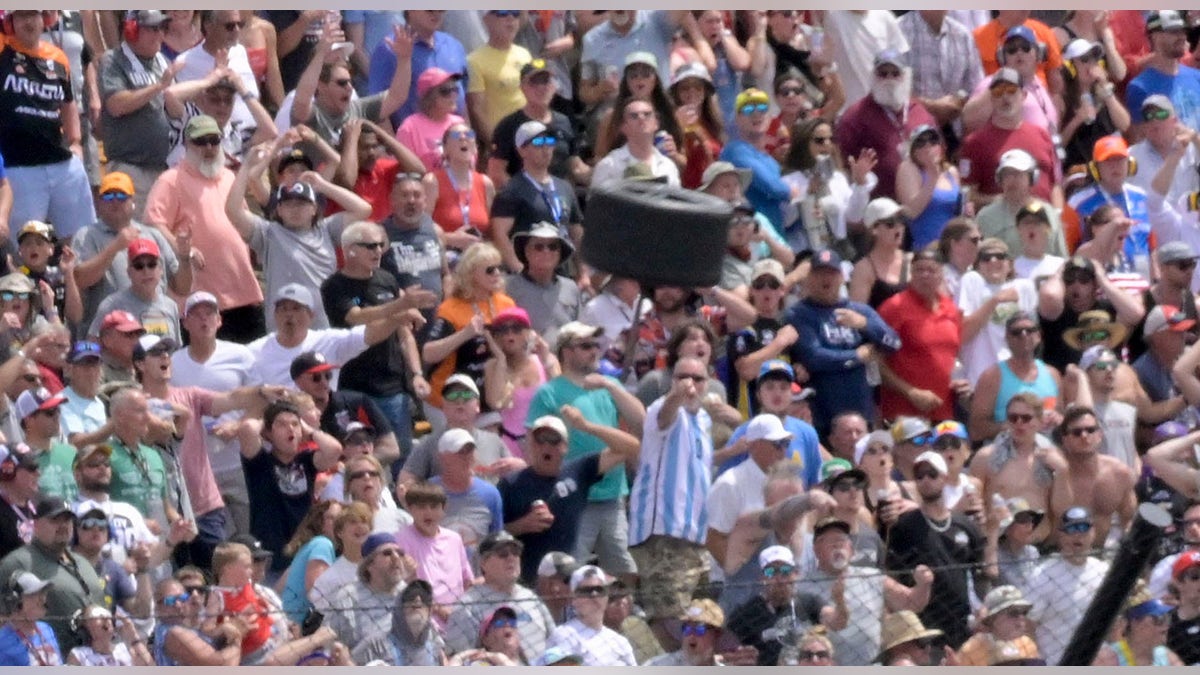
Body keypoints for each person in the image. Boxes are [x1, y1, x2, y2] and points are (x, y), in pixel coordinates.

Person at [143, 114, 265, 344]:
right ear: (187, 144)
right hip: (200, 301)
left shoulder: (229, 176)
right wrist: (184, 251)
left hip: (242, 292)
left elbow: (245, 219)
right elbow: (152, 223)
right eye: (201, 141)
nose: (209, 147)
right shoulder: (171, 180)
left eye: (214, 140)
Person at [500, 412, 638, 586]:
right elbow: (495, 533)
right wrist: (522, 525)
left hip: (568, 579)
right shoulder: (511, 483)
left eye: (554, 441)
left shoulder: (578, 471)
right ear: (530, 444)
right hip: (527, 582)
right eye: (540, 440)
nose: (546, 447)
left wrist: (587, 426)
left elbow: (632, 446)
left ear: (565, 446)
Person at [0, 10, 96, 243]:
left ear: (45, 19)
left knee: (81, 240)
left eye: (33, 15)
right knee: (22, 244)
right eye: (21, 17)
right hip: (19, 167)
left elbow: (68, 102)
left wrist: (75, 142)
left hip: (62, 163)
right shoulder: (3, 50)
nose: (29, 22)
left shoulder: (58, 58)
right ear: (11, 22)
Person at [883, 451, 992, 649]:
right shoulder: (904, 526)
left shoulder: (965, 524)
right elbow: (893, 573)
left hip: (962, 625)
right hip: (922, 629)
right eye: (920, 476)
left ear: (945, 478)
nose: (925, 480)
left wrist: (982, 607)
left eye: (932, 474)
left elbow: (980, 571)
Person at [787, 248, 901, 436]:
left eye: (831, 273)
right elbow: (814, 357)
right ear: (809, 278)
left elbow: (894, 343)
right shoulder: (799, 314)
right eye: (819, 273)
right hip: (823, 415)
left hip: (862, 413)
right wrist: (857, 356)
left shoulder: (859, 311)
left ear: (841, 277)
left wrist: (865, 325)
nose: (826, 279)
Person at [239, 400, 342, 573]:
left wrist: (309, 430)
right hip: (272, 555)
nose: (290, 429)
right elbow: (248, 429)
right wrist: (268, 418)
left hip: (303, 549)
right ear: (268, 433)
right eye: (281, 425)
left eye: (295, 424)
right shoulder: (260, 461)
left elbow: (334, 449)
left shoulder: (306, 461)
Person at [0, 496, 104, 651]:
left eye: (67, 520)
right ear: (36, 524)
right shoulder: (18, 562)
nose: (63, 526)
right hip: (50, 656)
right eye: (55, 520)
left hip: (97, 657)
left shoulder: (82, 562)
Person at [96, 10, 172, 215]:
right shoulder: (113, 60)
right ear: (131, 30)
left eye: (162, 29)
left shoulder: (161, 61)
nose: (160, 35)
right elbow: (116, 104)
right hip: (130, 168)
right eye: (153, 29)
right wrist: (158, 87)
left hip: (163, 168)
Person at [835, 49, 936, 200]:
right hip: (880, 210)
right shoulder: (854, 116)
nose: (889, 79)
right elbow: (842, 164)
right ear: (873, 77)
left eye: (895, 73)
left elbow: (938, 153)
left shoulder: (920, 113)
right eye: (883, 74)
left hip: (923, 202)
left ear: (906, 76)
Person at [878, 248, 963, 422]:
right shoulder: (894, 307)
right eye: (919, 269)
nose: (924, 275)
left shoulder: (950, 308)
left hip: (945, 411)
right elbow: (876, 361)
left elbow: (954, 354)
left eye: (931, 270)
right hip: (904, 413)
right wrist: (910, 392)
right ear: (911, 273)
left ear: (941, 274)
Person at [444, 530, 555, 662]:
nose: (511, 558)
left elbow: (554, 642)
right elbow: (458, 659)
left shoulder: (530, 597)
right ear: (483, 563)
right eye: (503, 554)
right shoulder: (467, 605)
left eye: (515, 553)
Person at [489, 121, 583, 275]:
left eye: (550, 142)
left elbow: (576, 232)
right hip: (529, 273)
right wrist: (518, 268)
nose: (546, 149)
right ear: (522, 150)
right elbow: (499, 233)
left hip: (561, 272)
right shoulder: (512, 190)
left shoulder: (564, 186)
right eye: (538, 143)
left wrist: (583, 272)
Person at [958, 68, 1061, 207]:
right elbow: (967, 193)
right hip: (1001, 224)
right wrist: (1003, 201)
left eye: (1011, 90)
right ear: (992, 100)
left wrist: (1057, 215)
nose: (1005, 97)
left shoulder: (1042, 135)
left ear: (1024, 95)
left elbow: (1054, 185)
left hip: (1044, 222)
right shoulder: (975, 142)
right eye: (998, 92)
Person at [726, 544, 840, 666]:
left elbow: (836, 621)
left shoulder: (809, 602)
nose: (779, 578)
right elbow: (727, 652)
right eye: (771, 572)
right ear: (761, 577)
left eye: (785, 571)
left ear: (796, 574)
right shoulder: (745, 614)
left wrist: (841, 603)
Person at [1026, 505, 1109, 664]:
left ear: (1093, 533)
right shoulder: (1043, 575)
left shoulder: (1103, 571)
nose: (1078, 535)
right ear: (1060, 535)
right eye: (1071, 529)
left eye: (1084, 528)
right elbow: (1028, 625)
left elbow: (1116, 625)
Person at [956, 238, 1040, 386]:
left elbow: (1035, 339)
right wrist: (995, 300)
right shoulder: (972, 281)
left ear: (1010, 264)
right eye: (985, 258)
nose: (993, 261)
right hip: (980, 380)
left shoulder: (1024, 287)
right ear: (978, 265)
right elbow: (963, 334)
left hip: (1018, 380)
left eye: (1000, 256)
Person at [968, 312, 1062, 443]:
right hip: (1006, 453)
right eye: (1016, 332)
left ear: (1039, 336)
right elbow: (976, 430)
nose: (1024, 335)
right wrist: (1011, 426)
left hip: (1046, 453)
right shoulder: (992, 376)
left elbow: (1062, 417)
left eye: (1029, 330)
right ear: (1007, 338)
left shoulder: (1052, 374)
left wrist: (1058, 418)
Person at [324, 533, 411, 650]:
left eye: (400, 553)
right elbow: (327, 643)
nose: (396, 557)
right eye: (387, 553)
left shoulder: (408, 593)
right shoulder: (348, 597)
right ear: (369, 565)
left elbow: (433, 641)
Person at [503, 224, 581, 345]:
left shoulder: (571, 287)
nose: (546, 251)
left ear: (560, 253)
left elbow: (580, 331)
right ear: (526, 251)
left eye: (553, 247)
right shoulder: (508, 287)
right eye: (539, 247)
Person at [1125, 11, 1200, 134]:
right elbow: (1139, 140)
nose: (1182, 37)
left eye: (1183, 31)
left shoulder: (1197, 76)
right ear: (1155, 37)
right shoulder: (1140, 87)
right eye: (1174, 32)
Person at [545, 565, 636, 666]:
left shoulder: (620, 642)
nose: (594, 595)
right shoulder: (563, 635)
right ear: (573, 599)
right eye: (586, 591)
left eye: (599, 589)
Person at [894, 126, 962, 250]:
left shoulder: (951, 172)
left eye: (933, 141)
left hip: (952, 246)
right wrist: (932, 178)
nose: (928, 147)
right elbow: (912, 212)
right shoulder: (908, 168)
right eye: (921, 143)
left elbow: (957, 212)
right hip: (925, 247)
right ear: (913, 150)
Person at [349, 579, 446, 665]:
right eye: (410, 596)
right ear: (399, 606)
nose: (418, 600)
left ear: (430, 610)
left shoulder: (435, 644)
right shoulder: (375, 645)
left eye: (424, 597)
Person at [394, 68, 467, 172]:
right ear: (429, 96)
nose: (453, 95)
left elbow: (470, 161)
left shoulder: (459, 123)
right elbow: (403, 168)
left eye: (455, 89)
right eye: (445, 91)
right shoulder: (409, 128)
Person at [1094, 582, 1182, 665]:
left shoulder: (1168, 658)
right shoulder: (1107, 659)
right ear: (1135, 622)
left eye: (1167, 618)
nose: (1165, 626)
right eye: (1158, 619)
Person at [955, 585, 1041, 665]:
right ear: (992, 619)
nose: (1021, 618)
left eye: (1024, 612)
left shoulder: (1026, 643)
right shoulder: (971, 649)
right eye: (1014, 613)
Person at [0, 571, 61, 666]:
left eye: (43, 593)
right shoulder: (3, 641)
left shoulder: (46, 628)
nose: (42, 599)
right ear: (15, 601)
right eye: (34, 595)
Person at [65, 604, 152, 666]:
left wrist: (133, 636)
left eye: (107, 614)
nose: (106, 618)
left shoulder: (125, 650)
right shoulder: (79, 655)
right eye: (98, 616)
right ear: (85, 629)